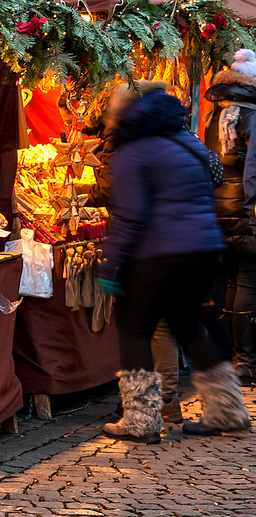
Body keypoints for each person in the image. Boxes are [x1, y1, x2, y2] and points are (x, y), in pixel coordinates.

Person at [99, 83, 250, 439]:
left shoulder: (134, 151)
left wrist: (112, 266)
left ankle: (140, 420)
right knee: (188, 326)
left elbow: (130, 216)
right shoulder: (188, 143)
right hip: (201, 250)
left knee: (135, 329)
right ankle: (228, 410)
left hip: (156, 254)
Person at [209, 47, 256, 380]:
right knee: (249, 282)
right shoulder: (252, 117)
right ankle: (246, 362)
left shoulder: (216, 115)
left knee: (232, 280)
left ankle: (229, 357)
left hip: (219, 207)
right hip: (245, 208)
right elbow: (253, 173)